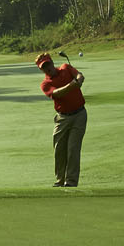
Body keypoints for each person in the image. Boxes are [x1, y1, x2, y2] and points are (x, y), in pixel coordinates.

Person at [34, 51, 86, 187]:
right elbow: (56, 94)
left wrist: (78, 80)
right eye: (43, 67)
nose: (47, 68)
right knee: (59, 150)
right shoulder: (45, 84)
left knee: (73, 149)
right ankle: (60, 180)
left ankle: (71, 182)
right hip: (62, 118)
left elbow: (80, 75)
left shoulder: (66, 68)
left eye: (48, 64)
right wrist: (71, 86)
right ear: (41, 70)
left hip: (79, 115)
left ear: (52, 62)